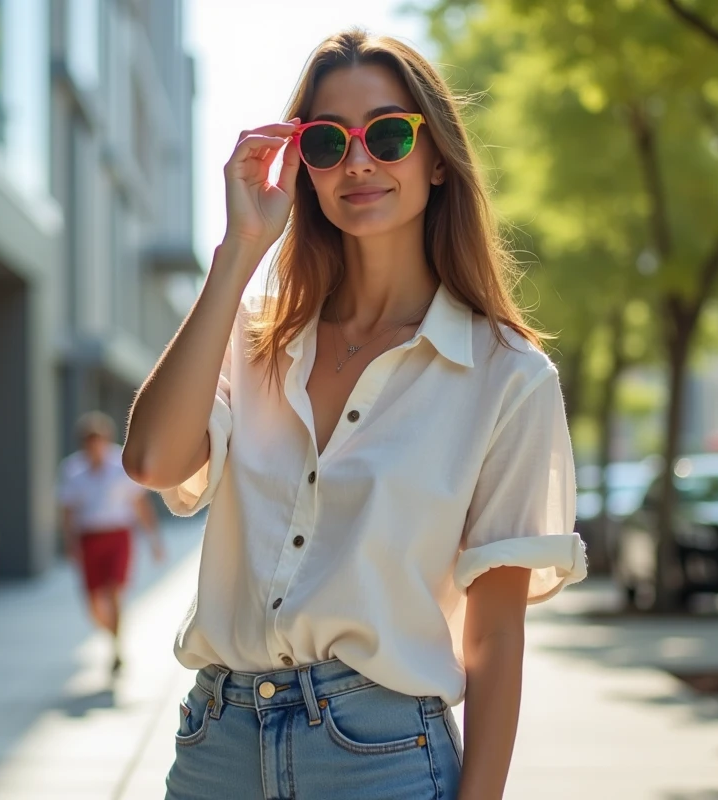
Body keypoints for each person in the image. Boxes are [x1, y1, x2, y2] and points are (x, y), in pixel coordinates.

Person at [124, 29, 586, 799]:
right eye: (327, 142)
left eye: (389, 134)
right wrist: (239, 252)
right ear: (303, 167)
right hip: (216, 746)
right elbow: (152, 462)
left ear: (436, 158)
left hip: (380, 759)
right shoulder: (253, 340)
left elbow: (496, 634)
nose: (359, 162)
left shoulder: (507, 377)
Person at [60, 411, 163, 678]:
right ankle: (114, 636)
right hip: (89, 538)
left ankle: (116, 649)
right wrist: (69, 542)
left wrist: (154, 539)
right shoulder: (73, 470)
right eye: (90, 442)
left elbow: (140, 503)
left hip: (118, 536)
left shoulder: (121, 466)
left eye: (99, 441)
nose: (95, 447)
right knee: (94, 602)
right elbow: (68, 510)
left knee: (115, 591)